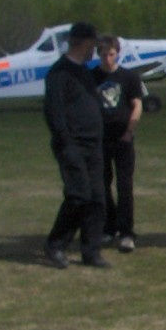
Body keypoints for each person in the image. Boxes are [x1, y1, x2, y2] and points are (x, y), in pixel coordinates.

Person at [43, 21, 109, 268]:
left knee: (97, 199)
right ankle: (56, 244)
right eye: (93, 44)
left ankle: (91, 251)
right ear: (85, 43)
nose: (95, 50)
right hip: (72, 145)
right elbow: (54, 112)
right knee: (78, 195)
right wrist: (66, 143)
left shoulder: (84, 71)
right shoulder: (59, 73)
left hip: (93, 145)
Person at [93, 34, 146, 252]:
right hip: (100, 139)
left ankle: (127, 233)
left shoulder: (129, 77)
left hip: (122, 138)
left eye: (111, 54)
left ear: (117, 54)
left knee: (124, 186)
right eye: (104, 55)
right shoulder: (91, 77)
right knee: (101, 186)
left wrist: (129, 131)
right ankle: (109, 228)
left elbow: (137, 105)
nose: (107, 59)